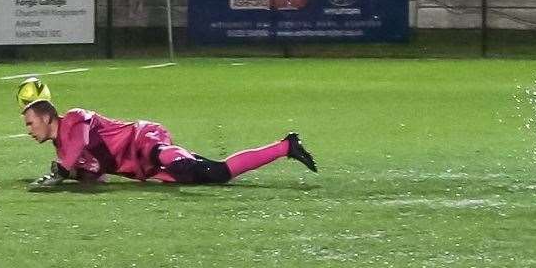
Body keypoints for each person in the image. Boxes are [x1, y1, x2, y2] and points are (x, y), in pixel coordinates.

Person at [23, 99, 318, 190]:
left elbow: (84, 137)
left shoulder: (74, 118)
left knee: (160, 152)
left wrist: (60, 173)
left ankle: (175, 158)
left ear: (48, 117)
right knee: (218, 174)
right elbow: (96, 174)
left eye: (30, 122)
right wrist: (75, 177)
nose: (28, 130)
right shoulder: (63, 150)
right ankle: (286, 147)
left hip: (143, 139)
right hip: (147, 170)